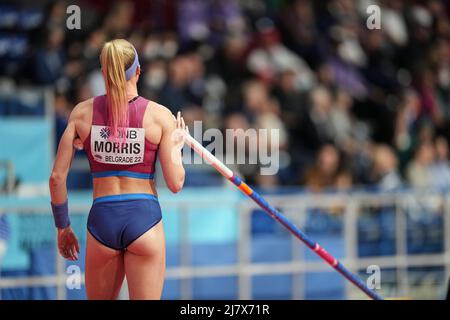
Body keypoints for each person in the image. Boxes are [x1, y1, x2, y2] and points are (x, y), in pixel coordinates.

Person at [49, 39, 186, 300]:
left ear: (104, 72)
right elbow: (175, 183)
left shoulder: (81, 113)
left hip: (103, 220)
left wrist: (62, 227)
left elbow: (57, 178)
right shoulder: (160, 116)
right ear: (138, 71)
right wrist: (176, 148)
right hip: (144, 219)